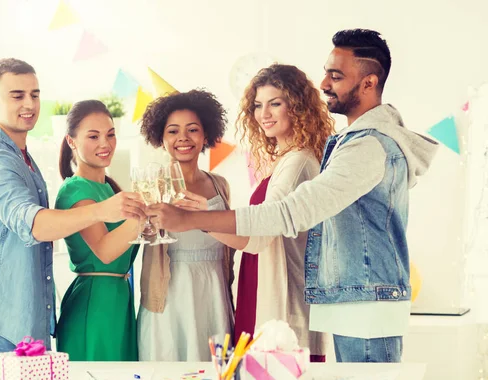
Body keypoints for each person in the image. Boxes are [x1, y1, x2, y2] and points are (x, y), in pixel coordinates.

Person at [146, 29, 439, 363]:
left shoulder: (365, 146)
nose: (325, 83)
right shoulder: (347, 144)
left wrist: (191, 220)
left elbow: (286, 215)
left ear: (369, 82)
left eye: (336, 75)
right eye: (258, 105)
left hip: (363, 300)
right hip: (354, 298)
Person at [0, 59, 144, 360]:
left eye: (35, 94)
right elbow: (34, 226)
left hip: (28, 327)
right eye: (17, 95)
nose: (29, 103)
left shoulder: (23, 161)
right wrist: (101, 211)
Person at [188, 64, 332, 360]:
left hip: (281, 298)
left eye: (275, 103)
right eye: (257, 105)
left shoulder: (298, 163)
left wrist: (197, 219)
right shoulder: (287, 160)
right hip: (266, 286)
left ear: (298, 107)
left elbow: (257, 238)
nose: (264, 114)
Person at [137, 90, 234, 361]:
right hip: (169, 295)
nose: (183, 138)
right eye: (173, 131)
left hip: (214, 292)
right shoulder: (152, 184)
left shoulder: (220, 184)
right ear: (161, 138)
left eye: (192, 129)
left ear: (206, 135)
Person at [55, 100, 142, 361]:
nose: (105, 144)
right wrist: (145, 213)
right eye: (93, 136)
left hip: (118, 300)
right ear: (71, 141)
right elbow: (105, 250)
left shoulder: (111, 190)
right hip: (95, 305)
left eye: (110, 134)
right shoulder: (76, 190)